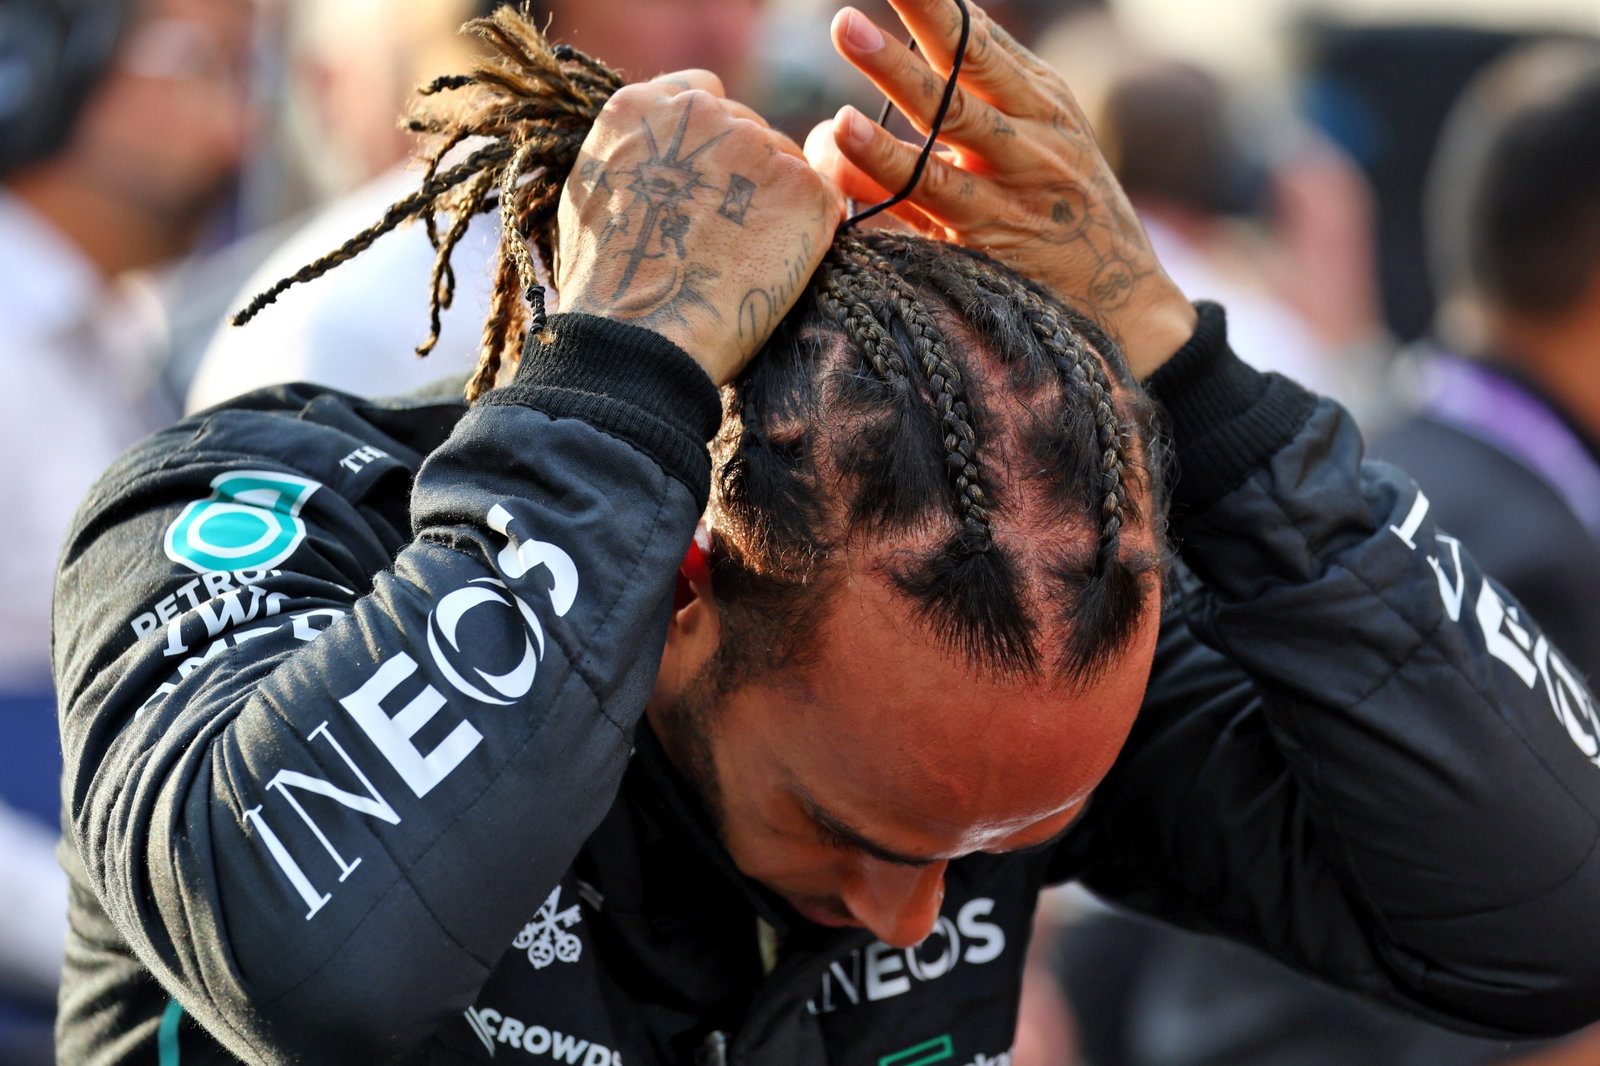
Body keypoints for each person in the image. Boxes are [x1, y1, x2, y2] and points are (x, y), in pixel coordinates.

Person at [51, 3, 1600, 1066]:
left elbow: (1554, 914)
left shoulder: (1004, 671)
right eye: (861, 832)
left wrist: (1193, 376)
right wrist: (619, 383)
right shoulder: (264, 520)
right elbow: (314, 969)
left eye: (1001, 849)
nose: (922, 912)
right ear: (678, 593)